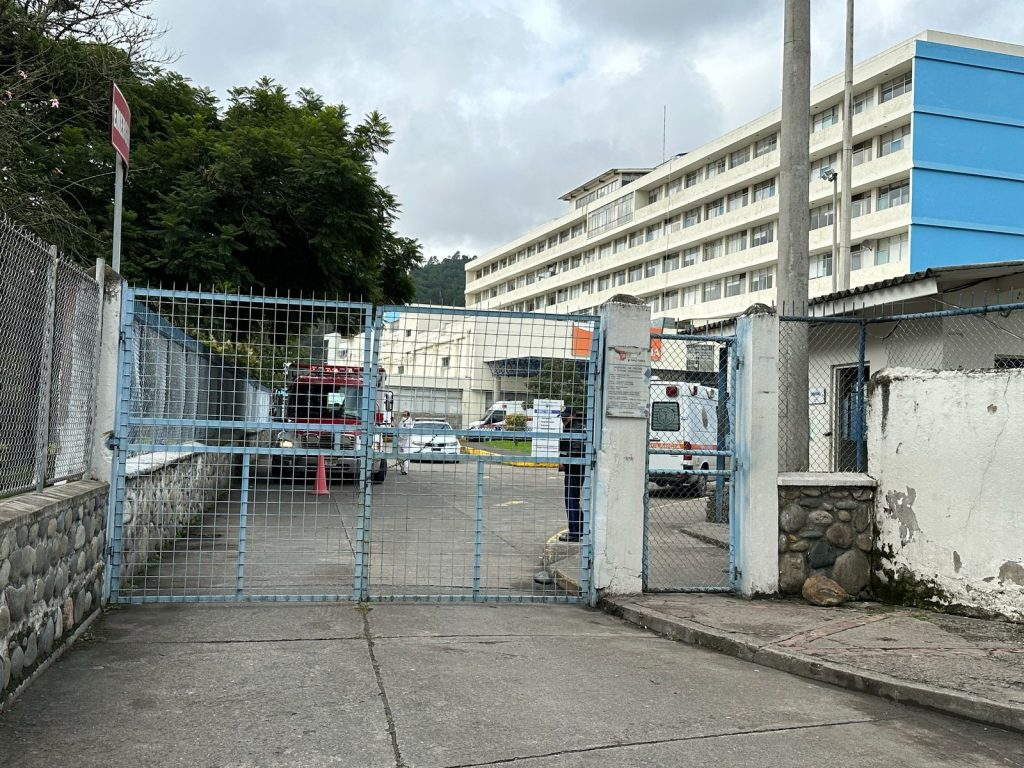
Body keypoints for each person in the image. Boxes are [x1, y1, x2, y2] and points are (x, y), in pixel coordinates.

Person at [558, 405, 586, 542]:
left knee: (571, 500)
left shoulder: (575, 427)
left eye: (565, 416)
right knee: (572, 499)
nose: (563, 418)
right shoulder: (571, 427)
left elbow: (576, 449)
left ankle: (575, 532)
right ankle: (580, 528)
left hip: (575, 468)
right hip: (573, 467)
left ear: (572, 415)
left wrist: (565, 461)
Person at [398, 410, 414, 475]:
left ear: (408, 416)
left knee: (406, 456)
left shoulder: (410, 422)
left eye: (405, 415)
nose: (403, 416)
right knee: (399, 456)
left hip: (406, 441)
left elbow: (408, 430)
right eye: (403, 415)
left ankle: (405, 470)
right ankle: (402, 468)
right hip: (400, 440)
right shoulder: (401, 421)